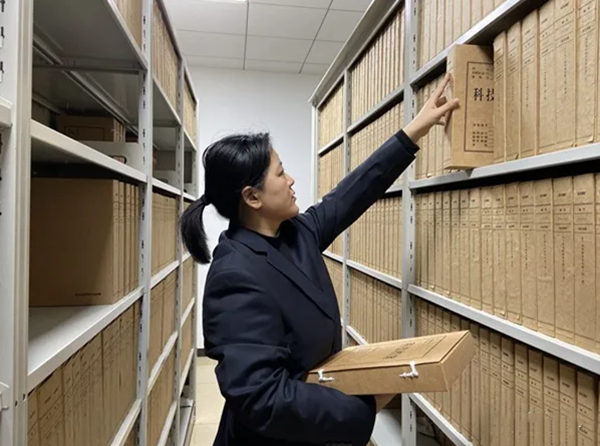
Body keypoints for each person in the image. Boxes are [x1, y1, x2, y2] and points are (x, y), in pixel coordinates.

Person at [181, 73, 459, 446]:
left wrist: (414, 130)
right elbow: (262, 398)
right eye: (280, 172)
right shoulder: (234, 276)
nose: (291, 180)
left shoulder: (296, 232)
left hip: (310, 427)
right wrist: (363, 405)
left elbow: (351, 194)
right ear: (252, 197)